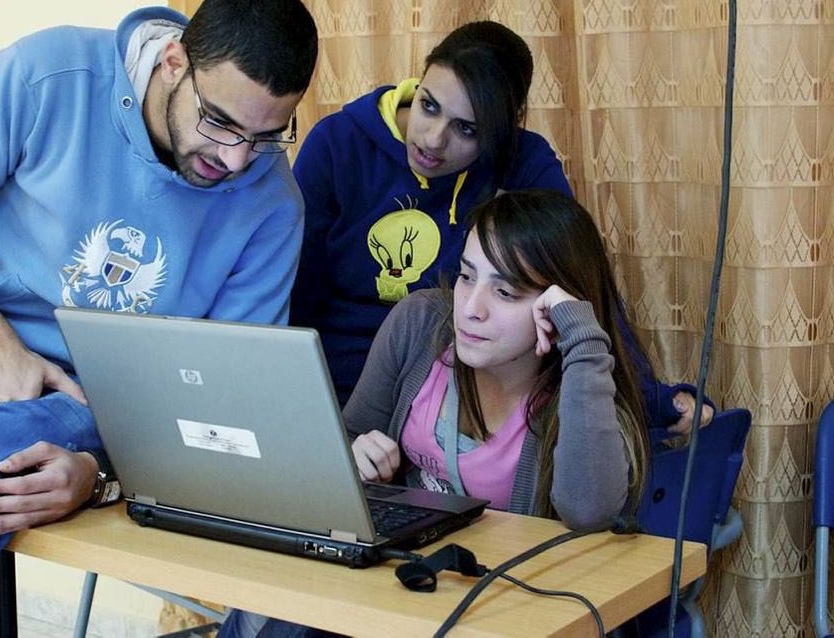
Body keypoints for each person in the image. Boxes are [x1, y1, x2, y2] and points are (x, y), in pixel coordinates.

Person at [0, 1, 317, 635]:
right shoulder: (49, 74)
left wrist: (104, 473)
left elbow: (220, 398)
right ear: (173, 62)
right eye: (220, 122)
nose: (238, 159)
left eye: (267, 134)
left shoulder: (272, 206)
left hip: (92, 399)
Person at [220, 189, 661, 638]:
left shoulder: (582, 389)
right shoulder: (421, 323)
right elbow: (349, 438)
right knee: (276, 607)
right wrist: (355, 455)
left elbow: (589, 513)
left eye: (506, 291)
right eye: (468, 277)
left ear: (555, 305)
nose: (471, 309)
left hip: (499, 607)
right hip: (400, 578)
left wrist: (582, 341)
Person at [288, 21, 709, 434]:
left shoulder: (524, 163)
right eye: (429, 105)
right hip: (341, 385)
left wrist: (649, 397)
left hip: (459, 397)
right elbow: (296, 287)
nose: (433, 140)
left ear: (500, 133)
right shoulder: (338, 143)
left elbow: (577, 285)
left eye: (467, 129)